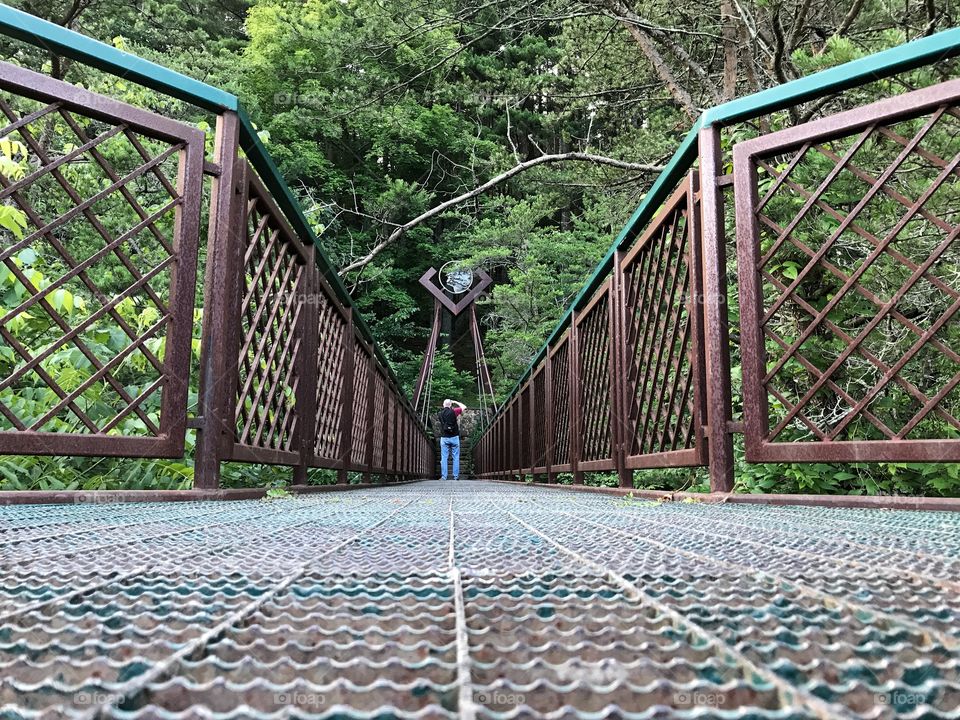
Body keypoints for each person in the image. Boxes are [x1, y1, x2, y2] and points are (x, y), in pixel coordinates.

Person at [438, 399, 466, 481]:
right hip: (454, 437)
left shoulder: (440, 414)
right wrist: (456, 402)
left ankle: (444, 477)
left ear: (443, 405)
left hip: (444, 437)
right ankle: (456, 476)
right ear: (450, 405)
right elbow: (464, 407)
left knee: (444, 457)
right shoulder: (454, 411)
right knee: (456, 457)